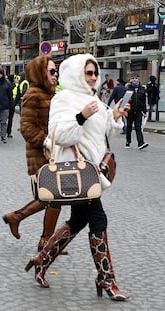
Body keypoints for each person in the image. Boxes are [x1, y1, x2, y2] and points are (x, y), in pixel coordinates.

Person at [24, 53, 129, 301]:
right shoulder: (64, 98)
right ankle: (106, 279)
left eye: (95, 73)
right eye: (87, 73)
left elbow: (102, 137)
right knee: (98, 220)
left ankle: (42, 260)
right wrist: (80, 116)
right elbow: (60, 135)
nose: (93, 77)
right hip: (76, 172)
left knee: (79, 220)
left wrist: (113, 118)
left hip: (92, 171)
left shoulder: (94, 98)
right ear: (76, 74)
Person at [2, 56, 66, 256]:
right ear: (40, 73)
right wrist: (47, 141)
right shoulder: (33, 95)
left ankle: (19, 219)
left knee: (52, 197)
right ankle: (43, 238)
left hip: (54, 153)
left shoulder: (51, 93)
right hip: (40, 153)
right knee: (53, 197)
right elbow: (26, 128)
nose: (55, 75)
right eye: (52, 71)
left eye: (56, 71)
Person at [125, 73, 148, 150]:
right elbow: (125, 101)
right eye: (133, 78)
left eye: (136, 78)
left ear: (138, 79)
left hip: (138, 111)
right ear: (131, 80)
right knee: (129, 127)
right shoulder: (128, 88)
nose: (134, 79)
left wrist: (145, 111)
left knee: (138, 127)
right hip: (130, 111)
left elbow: (144, 101)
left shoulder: (142, 89)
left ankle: (141, 143)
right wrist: (124, 110)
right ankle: (128, 141)